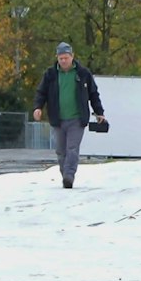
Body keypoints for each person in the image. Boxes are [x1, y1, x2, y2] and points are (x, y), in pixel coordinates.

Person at [32, 42, 105, 189]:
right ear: (57, 58)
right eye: (61, 58)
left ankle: (69, 175)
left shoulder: (83, 74)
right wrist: (38, 107)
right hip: (57, 119)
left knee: (72, 148)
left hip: (77, 119)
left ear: (72, 57)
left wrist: (99, 113)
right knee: (60, 150)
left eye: (66, 58)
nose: (63, 61)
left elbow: (93, 93)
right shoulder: (50, 74)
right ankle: (65, 174)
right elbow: (41, 92)